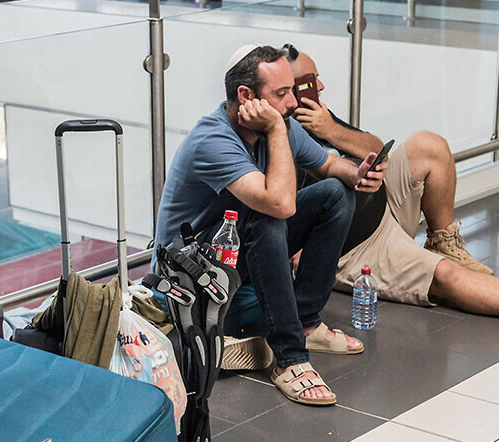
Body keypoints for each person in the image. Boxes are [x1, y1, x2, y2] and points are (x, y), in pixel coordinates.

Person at [282, 43, 499, 327]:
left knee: (429, 146)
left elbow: (375, 148)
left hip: (382, 202)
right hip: (355, 248)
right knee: (445, 274)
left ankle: (443, 240)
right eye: (310, 81)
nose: (320, 85)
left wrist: (332, 129)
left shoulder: (317, 115)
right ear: (289, 90)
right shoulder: (275, 138)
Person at [153, 45, 386, 406]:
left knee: (336, 194)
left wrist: (358, 172)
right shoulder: (213, 139)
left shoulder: (278, 125)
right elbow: (280, 203)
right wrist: (277, 128)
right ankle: (289, 358)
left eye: (292, 90)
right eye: (282, 94)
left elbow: (326, 164)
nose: (293, 103)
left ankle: (306, 323)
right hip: (190, 275)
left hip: (234, 253)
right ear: (246, 96)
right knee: (266, 214)